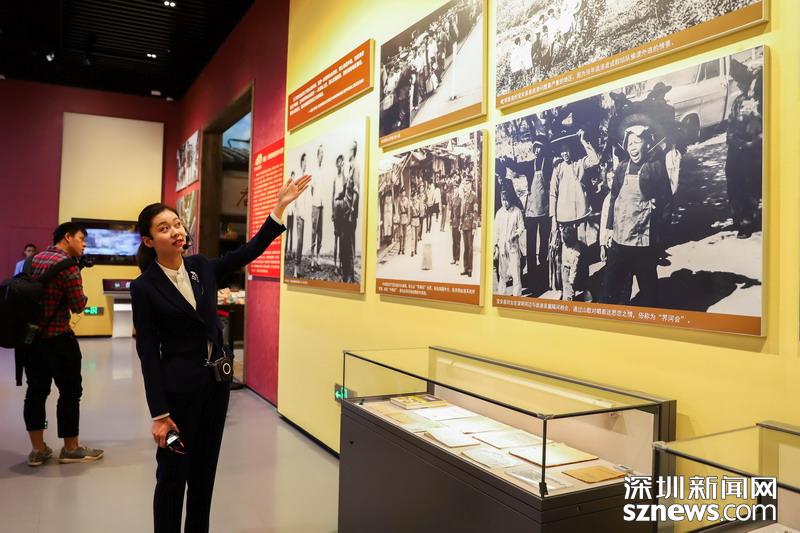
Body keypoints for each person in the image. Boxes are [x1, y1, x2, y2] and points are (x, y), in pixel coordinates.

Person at [130, 175, 310, 533]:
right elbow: (147, 352)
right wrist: (160, 414)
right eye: (164, 228)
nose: (176, 231)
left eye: (177, 224)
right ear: (149, 241)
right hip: (177, 399)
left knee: (204, 473)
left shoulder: (201, 267)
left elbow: (249, 251)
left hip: (215, 388)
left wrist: (279, 207)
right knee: (172, 473)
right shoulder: (144, 287)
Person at [23, 222, 103, 466]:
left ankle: (38, 450)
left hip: (31, 340)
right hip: (59, 340)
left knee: (36, 392)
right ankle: (71, 448)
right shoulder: (68, 267)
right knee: (69, 392)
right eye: (81, 239)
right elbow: (78, 305)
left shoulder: (32, 260)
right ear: (68, 237)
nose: (84, 244)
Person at [603, 125, 672, 307]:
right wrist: (609, 228)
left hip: (643, 241)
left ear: (647, 143)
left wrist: (661, 237)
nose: (633, 147)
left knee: (648, 287)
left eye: (637, 142)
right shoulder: (621, 168)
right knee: (613, 286)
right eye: (630, 143)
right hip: (619, 239)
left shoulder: (655, 167)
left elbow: (666, 202)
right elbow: (613, 198)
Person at [725, 62, 763, 239]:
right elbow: (730, 124)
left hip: (752, 151)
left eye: (741, 82)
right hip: (735, 150)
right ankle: (737, 216)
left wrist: (751, 144)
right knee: (734, 183)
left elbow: (765, 130)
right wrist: (733, 140)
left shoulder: (761, 102)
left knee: (750, 184)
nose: (739, 85)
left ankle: (747, 222)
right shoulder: (738, 101)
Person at [524, 140, 552, 276]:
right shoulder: (530, 165)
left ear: (543, 149)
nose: (537, 151)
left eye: (539, 148)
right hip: (531, 210)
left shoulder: (549, 164)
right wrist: (506, 161)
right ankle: (531, 271)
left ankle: (543, 267)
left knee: (544, 240)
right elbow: (517, 167)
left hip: (545, 209)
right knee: (530, 242)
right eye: (535, 148)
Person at [494, 189, 525, 296]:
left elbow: (521, 227)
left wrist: (515, 235)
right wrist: (496, 246)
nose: (505, 203)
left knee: (516, 272)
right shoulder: (499, 213)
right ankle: (502, 293)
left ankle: (517, 294)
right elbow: (496, 231)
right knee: (502, 272)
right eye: (503, 200)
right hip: (502, 247)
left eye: (507, 200)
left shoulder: (517, 212)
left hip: (513, 247)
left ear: (510, 200)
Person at [294, 154, 311, 277]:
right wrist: (298, 213)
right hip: (299, 215)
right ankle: (296, 268)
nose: (305, 163)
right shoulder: (299, 179)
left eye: (306, 161)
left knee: (301, 241)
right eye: (304, 161)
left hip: (303, 215)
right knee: (299, 241)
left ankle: (298, 268)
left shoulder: (305, 178)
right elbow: (296, 198)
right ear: (301, 162)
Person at [460, 178, 479, 277]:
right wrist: (460, 223)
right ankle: (465, 267)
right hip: (464, 224)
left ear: (471, 184)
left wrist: (474, 226)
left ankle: (470, 269)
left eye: (467, 183)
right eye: (465, 184)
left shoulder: (474, 196)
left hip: (471, 225)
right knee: (465, 247)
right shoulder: (464, 196)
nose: (465, 185)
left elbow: (475, 212)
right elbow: (462, 211)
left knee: (470, 247)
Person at [310, 145, 325, 269]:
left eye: (323, 153)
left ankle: (318, 256)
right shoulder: (314, 170)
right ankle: (312, 258)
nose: (322, 156)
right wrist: (315, 201)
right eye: (321, 153)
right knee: (314, 232)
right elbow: (312, 188)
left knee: (320, 232)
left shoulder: (323, 170)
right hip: (315, 204)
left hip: (322, 205)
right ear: (317, 155)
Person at [331, 155, 346, 273]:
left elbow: (346, 193)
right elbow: (333, 196)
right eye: (338, 162)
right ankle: (335, 265)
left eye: (341, 162)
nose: (340, 164)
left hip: (342, 209)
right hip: (336, 208)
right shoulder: (335, 178)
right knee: (336, 237)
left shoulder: (345, 178)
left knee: (342, 238)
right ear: (336, 164)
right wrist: (332, 211)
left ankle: (341, 264)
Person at [449, 180, 462, 265]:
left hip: (458, 221)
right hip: (453, 222)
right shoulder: (453, 199)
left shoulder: (460, 200)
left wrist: (460, 223)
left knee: (458, 241)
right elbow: (451, 212)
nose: (455, 190)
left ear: (458, 189)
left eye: (456, 188)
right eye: (454, 188)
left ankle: (457, 259)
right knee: (453, 241)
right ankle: (454, 258)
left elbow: (461, 213)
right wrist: (450, 222)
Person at [285, 171, 296, 260]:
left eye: (294, 177)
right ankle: (285, 252)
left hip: (292, 214)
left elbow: (295, 203)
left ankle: (291, 252)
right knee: (287, 233)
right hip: (288, 214)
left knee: (291, 233)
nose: (293, 178)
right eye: (292, 176)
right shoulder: (287, 189)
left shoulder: (295, 190)